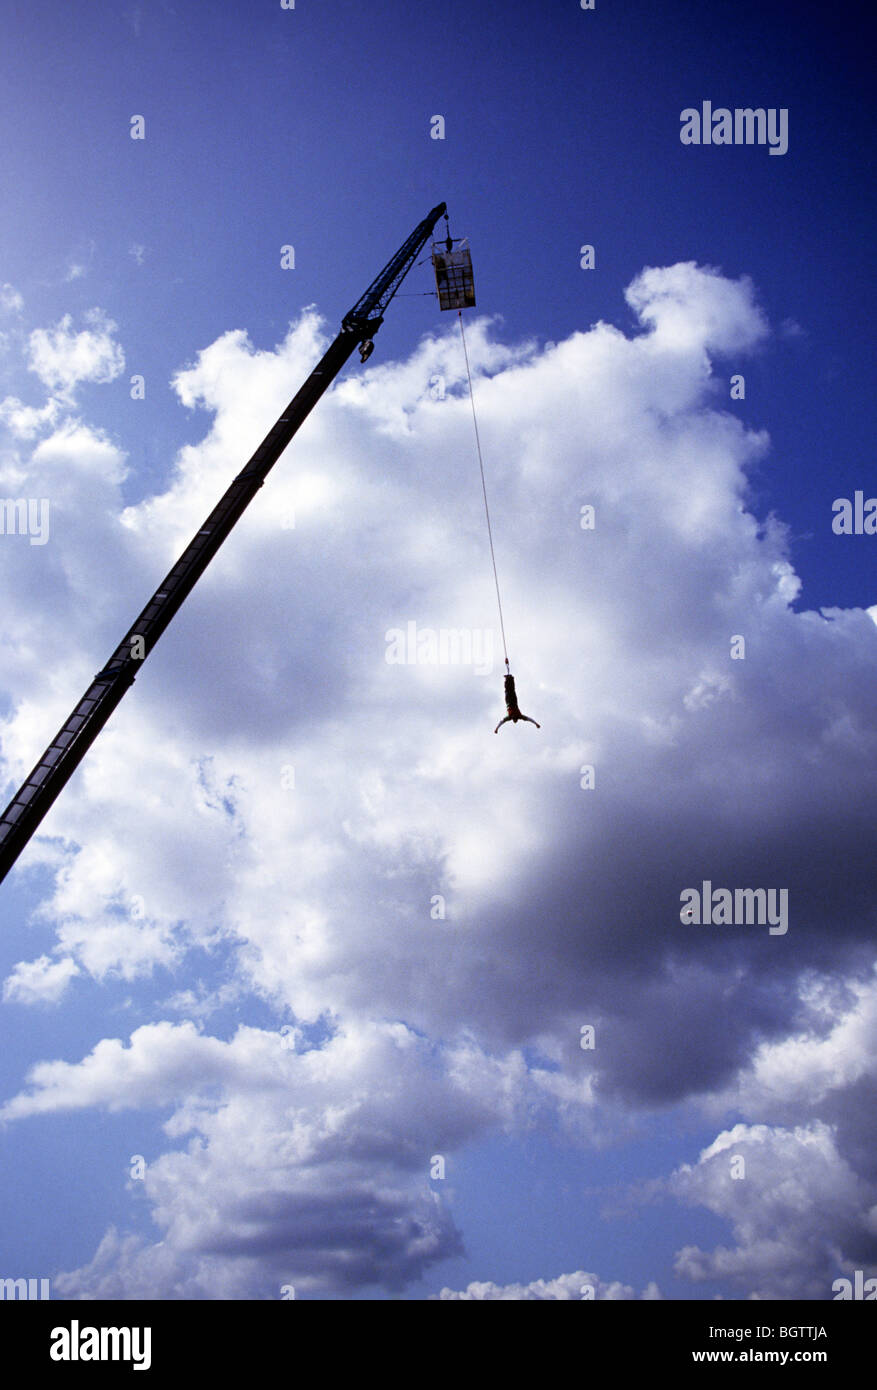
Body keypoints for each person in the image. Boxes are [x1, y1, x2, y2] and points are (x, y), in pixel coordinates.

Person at [494, 669, 540, 733]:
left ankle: (508, 679)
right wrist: (536, 723)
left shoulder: (509, 717)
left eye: (513, 717)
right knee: (511, 690)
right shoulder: (520, 716)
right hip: (513, 701)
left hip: (509, 701)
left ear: (512, 718)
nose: (514, 716)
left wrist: (497, 728)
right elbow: (529, 719)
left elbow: (501, 721)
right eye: (515, 717)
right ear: (517, 718)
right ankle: (510, 679)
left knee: (508, 691)